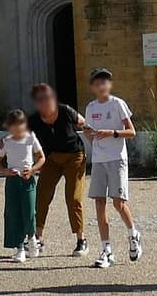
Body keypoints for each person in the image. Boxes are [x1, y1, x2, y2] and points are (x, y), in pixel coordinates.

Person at [81, 68, 142, 268]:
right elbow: (87, 130)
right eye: (97, 83)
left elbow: (131, 131)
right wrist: (94, 139)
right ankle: (106, 250)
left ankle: (133, 234)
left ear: (109, 85)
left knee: (118, 203)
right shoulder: (91, 107)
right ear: (92, 87)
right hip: (99, 160)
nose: (101, 86)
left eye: (105, 82)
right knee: (99, 202)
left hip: (117, 159)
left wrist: (112, 133)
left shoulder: (117, 104)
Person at [26, 82, 90, 257]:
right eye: (41, 99)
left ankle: (81, 240)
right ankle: (38, 238)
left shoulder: (65, 111)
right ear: (36, 103)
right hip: (51, 158)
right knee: (42, 194)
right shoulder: (33, 120)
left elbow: (85, 125)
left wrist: (100, 145)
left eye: (48, 97)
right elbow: (21, 137)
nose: (46, 101)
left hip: (74, 156)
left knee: (73, 197)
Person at [0, 108, 45, 263]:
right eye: (14, 124)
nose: (17, 127)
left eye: (20, 123)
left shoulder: (30, 138)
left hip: (27, 179)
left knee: (29, 212)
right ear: (9, 126)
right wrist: (5, 171)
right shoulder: (6, 142)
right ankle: (19, 248)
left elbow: (41, 158)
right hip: (13, 180)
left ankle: (32, 237)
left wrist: (33, 169)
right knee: (14, 213)